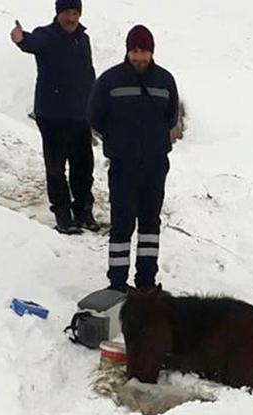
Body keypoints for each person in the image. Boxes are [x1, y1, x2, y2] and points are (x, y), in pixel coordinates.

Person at [87, 25, 179, 292]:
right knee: (122, 223)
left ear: (152, 52)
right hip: (123, 165)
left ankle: (146, 281)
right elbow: (94, 116)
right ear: (128, 50)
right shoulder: (109, 80)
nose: (140, 57)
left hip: (154, 165)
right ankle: (117, 282)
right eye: (135, 51)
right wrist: (117, 140)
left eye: (145, 51)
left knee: (150, 223)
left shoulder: (165, 81)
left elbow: (170, 117)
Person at [11, 0, 100, 234]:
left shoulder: (83, 38)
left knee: (83, 167)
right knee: (56, 169)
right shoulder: (47, 35)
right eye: (67, 13)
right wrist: (21, 39)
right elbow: (32, 42)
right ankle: (63, 216)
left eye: (75, 13)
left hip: (80, 115)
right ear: (58, 13)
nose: (71, 18)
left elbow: (87, 71)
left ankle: (83, 213)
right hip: (52, 116)